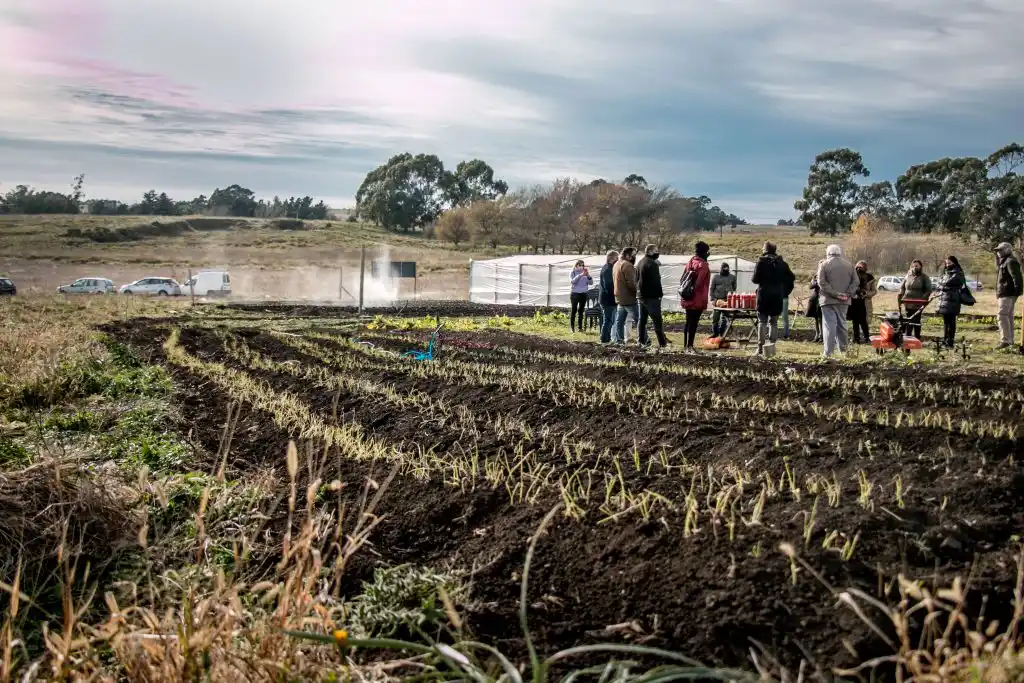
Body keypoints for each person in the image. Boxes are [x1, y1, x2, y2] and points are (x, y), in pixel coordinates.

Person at [751, 241, 795, 355]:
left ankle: (760, 347)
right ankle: (772, 346)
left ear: (765, 249)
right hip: (777, 296)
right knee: (773, 322)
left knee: (762, 321)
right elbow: (791, 277)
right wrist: (784, 290)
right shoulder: (782, 263)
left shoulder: (761, 262)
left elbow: (754, 279)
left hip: (764, 295)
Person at [816, 244, 858, 358]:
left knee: (829, 326)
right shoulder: (849, 265)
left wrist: (835, 294)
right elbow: (856, 282)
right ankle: (844, 351)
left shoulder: (824, 265)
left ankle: (828, 353)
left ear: (828, 253)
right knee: (842, 324)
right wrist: (847, 294)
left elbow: (821, 282)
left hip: (828, 300)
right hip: (844, 301)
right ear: (840, 253)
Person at [679, 241, 712, 353]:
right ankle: (690, 346)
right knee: (694, 323)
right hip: (697, 298)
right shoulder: (703, 265)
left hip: (687, 296)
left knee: (688, 321)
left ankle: (685, 346)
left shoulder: (690, 262)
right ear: (705, 252)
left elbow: (683, 278)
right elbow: (699, 283)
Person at [635, 244, 668, 351]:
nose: (657, 253)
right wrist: (659, 295)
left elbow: (636, 280)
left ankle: (640, 341)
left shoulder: (640, 262)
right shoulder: (652, 264)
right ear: (650, 252)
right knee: (657, 320)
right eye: (656, 251)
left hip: (641, 296)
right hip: (651, 297)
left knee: (642, 320)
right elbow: (656, 281)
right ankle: (662, 344)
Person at [995, 242, 1023, 349]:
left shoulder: (1010, 261)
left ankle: (1005, 340)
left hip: (1008, 293)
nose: (998, 252)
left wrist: (1017, 292)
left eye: (1000, 250)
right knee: (1008, 316)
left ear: (1007, 250)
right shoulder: (1004, 261)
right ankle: (1009, 341)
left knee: (1002, 315)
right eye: (997, 250)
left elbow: (1017, 278)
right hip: (1005, 293)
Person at [936, 255, 967, 348]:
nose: (947, 265)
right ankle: (945, 340)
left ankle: (950, 341)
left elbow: (947, 282)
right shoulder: (945, 273)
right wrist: (943, 285)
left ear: (954, 263)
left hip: (953, 300)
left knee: (951, 321)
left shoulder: (958, 272)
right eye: (946, 263)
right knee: (945, 322)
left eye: (949, 263)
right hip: (944, 299)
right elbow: (939, 283)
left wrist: (943, 286)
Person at [898, 259, 932, 340]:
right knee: (907, 321)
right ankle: (907, 339)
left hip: (918, 302)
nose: (915, 267)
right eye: (913, 266)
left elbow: (928, 290)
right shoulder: (907, 276)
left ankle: (917, 338)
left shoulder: (924, 277)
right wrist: (901, 296)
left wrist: (922, 300)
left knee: (916, 321)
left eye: (916, 266)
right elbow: (902, 287)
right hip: (907, 302)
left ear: (920, 266)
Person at [612, 247, 639, 344]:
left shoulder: (616, 264)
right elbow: (631, 283)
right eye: (633, 255)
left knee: (620, 321)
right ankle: (644, 341)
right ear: (627, 255)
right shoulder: (628, 265)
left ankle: (619, 340)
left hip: (619, 297)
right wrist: (637, 293)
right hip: (629, 298)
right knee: (639, 319)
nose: (634, 257)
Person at [849, 261, 877, 344]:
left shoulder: (870, 277)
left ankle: (866, 337)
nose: (859, 269)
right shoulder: (851, 276)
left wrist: (866, 293)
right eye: (858, 267)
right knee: (855, 321)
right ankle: (856, 338)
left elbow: (874, 291)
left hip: (864, 302)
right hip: (854, 301)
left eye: (861, 267)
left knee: (864, 321)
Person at [709, 262, 736, 338]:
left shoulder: (732, 277)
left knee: (724, 318)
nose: (726, 269)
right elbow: (711, 289)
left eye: (727, 268)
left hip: (727, 300)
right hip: (717, 300)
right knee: (715, 317)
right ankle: (715, 333)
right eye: (724, 268)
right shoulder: (716, 277)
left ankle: (722, 333)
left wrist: (731, 297)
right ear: (721, 269)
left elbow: (734, 288)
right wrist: (713, 299)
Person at [598, 250, 619, 344]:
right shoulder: (608, 269)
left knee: (610, 320)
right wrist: (616, 293)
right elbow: (608, 285)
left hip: (609, 299)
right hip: (608, 299)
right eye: (616, 258)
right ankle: (604, 339)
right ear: (611, 258)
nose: (617, 259)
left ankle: (607, 338)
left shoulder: (609, 268)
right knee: (608, 320)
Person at [569, 260, 592, 333]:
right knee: (574, 310)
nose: (581, 267)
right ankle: (572, 328)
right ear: (576, 265)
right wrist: (581, 275)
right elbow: (573, 281)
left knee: (581, 311)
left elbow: (591, 283)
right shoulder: (573, 272)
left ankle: (580, 328)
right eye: (580, 265)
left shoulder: (585, 273)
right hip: (575, 293)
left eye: (583, 265)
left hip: (584, 294)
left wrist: (588, 275)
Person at [805, 275, 823, 343]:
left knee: (820, 318)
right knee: (816, 318)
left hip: (821, 299)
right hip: (814, 299)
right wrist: (814, 281)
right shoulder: (816, 277)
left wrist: (816, 281)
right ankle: (817, 335)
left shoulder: (825, 276)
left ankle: (821, 335)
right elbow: (811, 287)